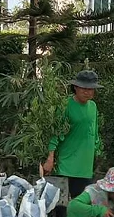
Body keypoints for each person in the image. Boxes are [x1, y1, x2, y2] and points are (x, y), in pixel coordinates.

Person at [43, 70, 102, 199]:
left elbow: (94, 132)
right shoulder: (65, 105)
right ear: (75, 87)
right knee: (61, 206)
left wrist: (97, 150)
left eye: (90, 89)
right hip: (66, 166)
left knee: (81, 206)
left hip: (85, 167)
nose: (87, 92)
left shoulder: (93, 106)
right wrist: (50, 158)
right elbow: (56, 133)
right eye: (84, 88)